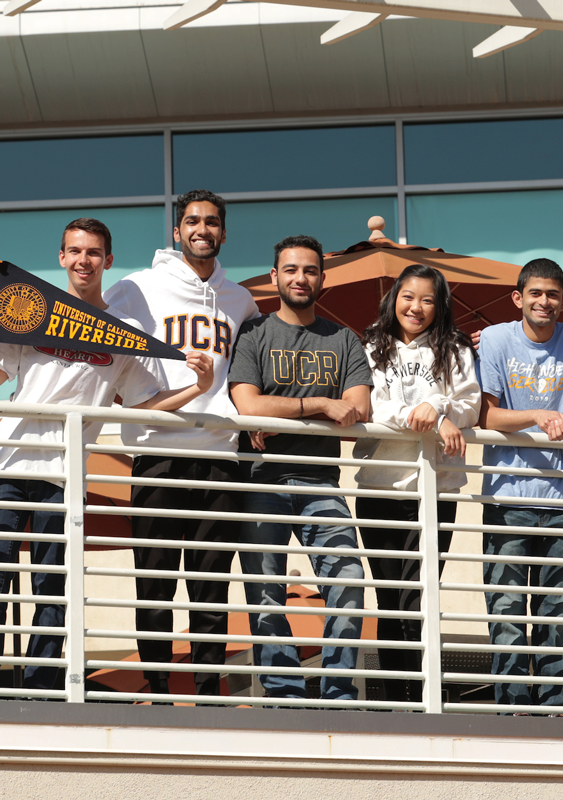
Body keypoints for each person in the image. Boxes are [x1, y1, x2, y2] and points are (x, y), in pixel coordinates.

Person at [0, 218, 213, 693]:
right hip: (8, 465)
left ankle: (41, 688)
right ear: (61, 258)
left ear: (107, 261)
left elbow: (144, 407)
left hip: (67, 475)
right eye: (74, 251)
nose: (83, 260)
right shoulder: (31, 313)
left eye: (93, 253)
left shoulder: (124, 331)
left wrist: (198, 387)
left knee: (54, 587)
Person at [103, 190, 260, 700]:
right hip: (158, 451)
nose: (202, 229)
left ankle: (208, 692)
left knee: (211, 587)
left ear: (223, 233)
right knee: (154, 582)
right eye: (192, 221)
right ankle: (157, 689)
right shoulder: (136, 288)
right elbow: (101, 343)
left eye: (212, 222)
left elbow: (249, 377)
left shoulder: (241, 300)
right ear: (176, 231)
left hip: (219, 454)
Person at [229, 234, 372, 703]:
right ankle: (285, 697)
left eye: (309, 270)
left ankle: (337, 694)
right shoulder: (253, 333)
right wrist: (319, 405)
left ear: (322, 279)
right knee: (266, 594)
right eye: (290, 269)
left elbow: (358, 408)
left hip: (320, 482)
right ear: (275, 277)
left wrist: (284, 412)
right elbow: (248, 404)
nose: (300, 278)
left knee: (348, 582)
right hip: (260, 480)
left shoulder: (344, 338)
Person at [478, 258, 563, 713]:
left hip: (558, 500)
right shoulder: (495, 339)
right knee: (507, 613)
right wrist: (538, 415)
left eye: (553, 295)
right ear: (518, 298)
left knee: (554, 615)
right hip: (504, 497)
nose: (544, 302)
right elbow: (488, 416)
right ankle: (512, 711)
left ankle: (552, 709)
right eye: (535, 293)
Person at [353, 264, 480, 704]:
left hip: (436, 491)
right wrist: (419, 417)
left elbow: (471, 405)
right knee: (391, 600)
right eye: (408, 297)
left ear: (439, 306)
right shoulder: (370, 346)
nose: (417, 307)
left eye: (427, 299)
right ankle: (397, 701)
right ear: (394, 299)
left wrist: (439, 407)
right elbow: (370, 407)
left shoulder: (457, 349)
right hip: (380, 490)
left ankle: (424, 697)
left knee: (421, 600)